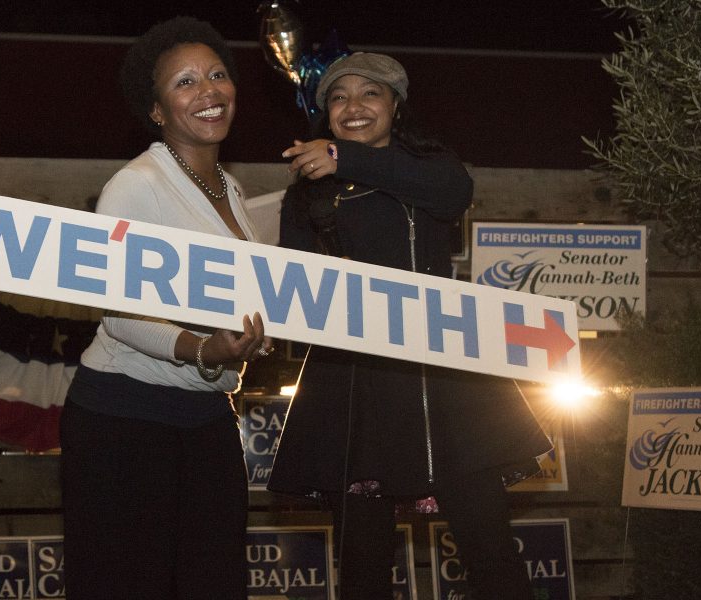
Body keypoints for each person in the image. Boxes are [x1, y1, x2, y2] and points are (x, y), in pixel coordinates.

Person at [266, 52, 551, 599]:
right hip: (357, 391)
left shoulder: (431, 166)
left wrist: (343, 157)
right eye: (339, 97)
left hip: (448, 387)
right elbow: (293, 294)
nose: (354, 106)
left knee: (492, 554)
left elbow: (452, 195)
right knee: (364, 567)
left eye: (370, 94)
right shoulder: (305, 193)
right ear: (325, 113)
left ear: (395, 106)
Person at [59, 17, 273, 600]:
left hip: (206, 416)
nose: (208, 91)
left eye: (217, 75)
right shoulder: (136, 185)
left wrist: (258, 333)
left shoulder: (232, 191)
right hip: (124, 420)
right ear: (156, 111)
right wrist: (205, 347)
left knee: (213, 581)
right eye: (185, 83)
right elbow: (119, 314)